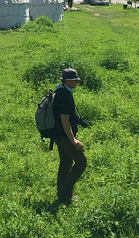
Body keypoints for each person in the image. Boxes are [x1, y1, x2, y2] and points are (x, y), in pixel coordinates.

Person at [52, 68, 87, 204]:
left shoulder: (60, 91)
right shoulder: (65, 95)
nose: (77, 82)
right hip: (64, 135)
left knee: (66, 162)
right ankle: (64, 191)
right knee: (81, 162)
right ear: (67, 81)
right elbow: (64, 121)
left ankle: (62, 194)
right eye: (74, 80)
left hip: (58, 134)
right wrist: (73, 140)